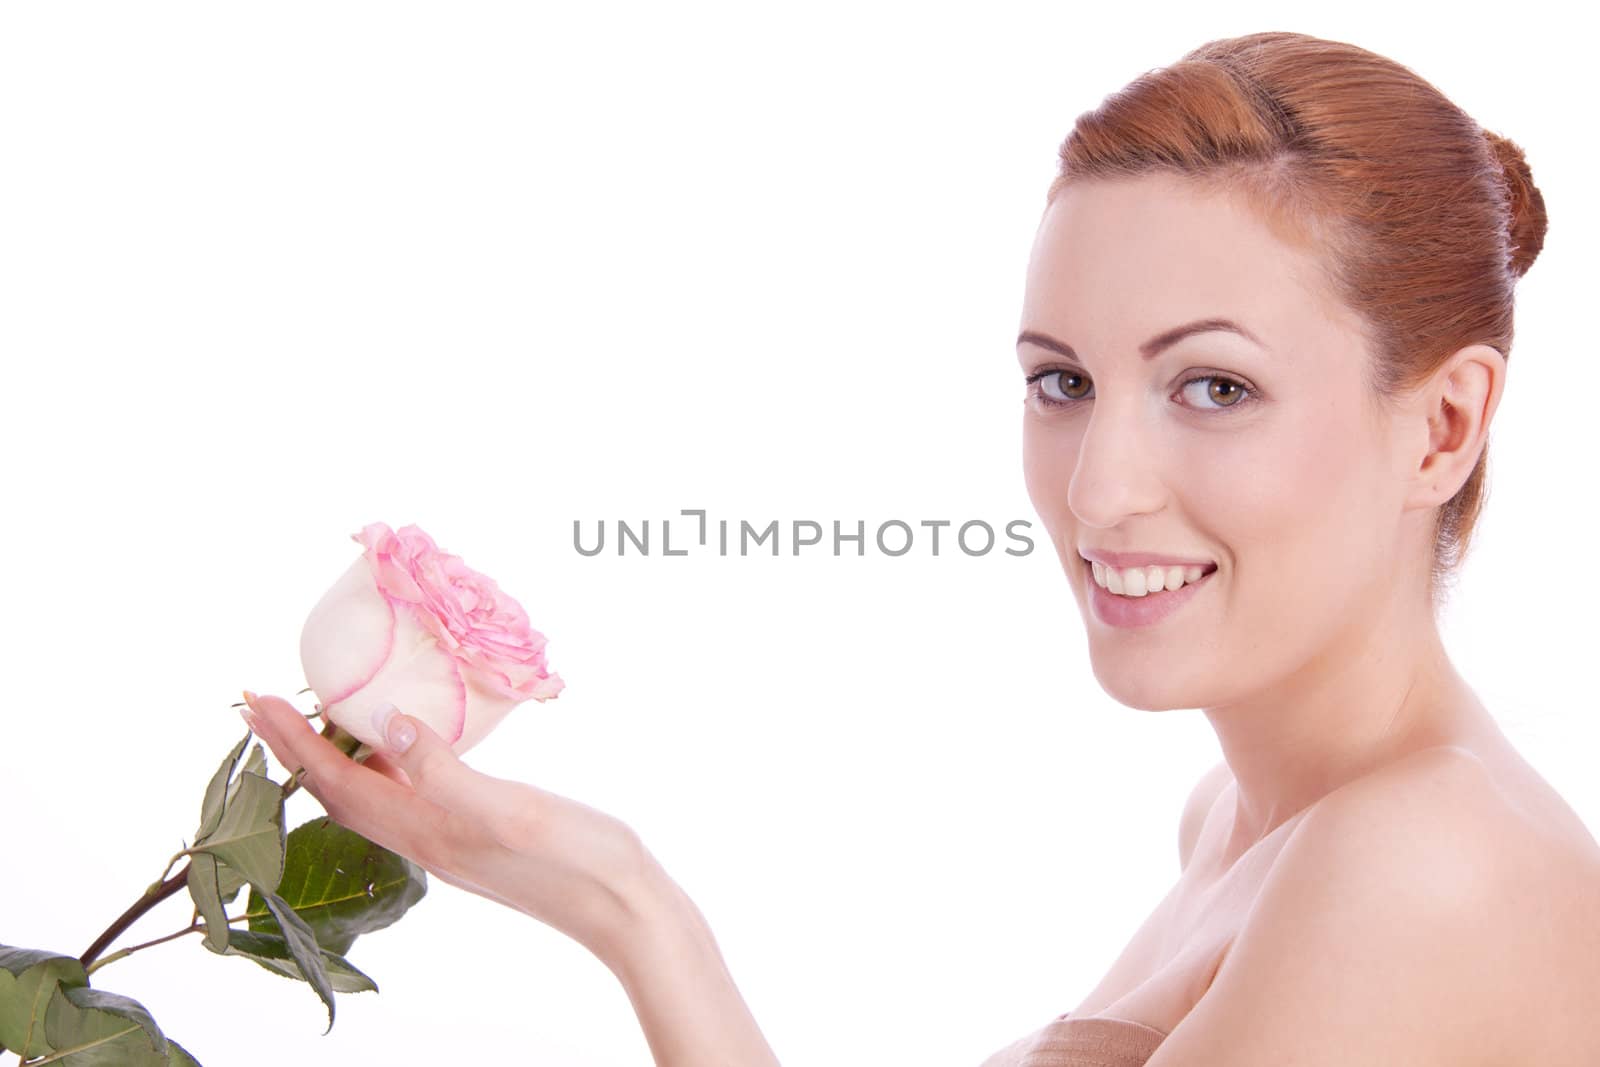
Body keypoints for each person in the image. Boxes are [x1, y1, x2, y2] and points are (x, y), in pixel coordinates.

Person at [240, 29, 1600, 1067]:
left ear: (1444, 426)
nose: (1100, 494)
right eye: (1063, 383)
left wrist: (633, 913)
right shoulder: (1243, 826)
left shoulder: (1423, 865)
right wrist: (613, 896)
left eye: (1214, 388)